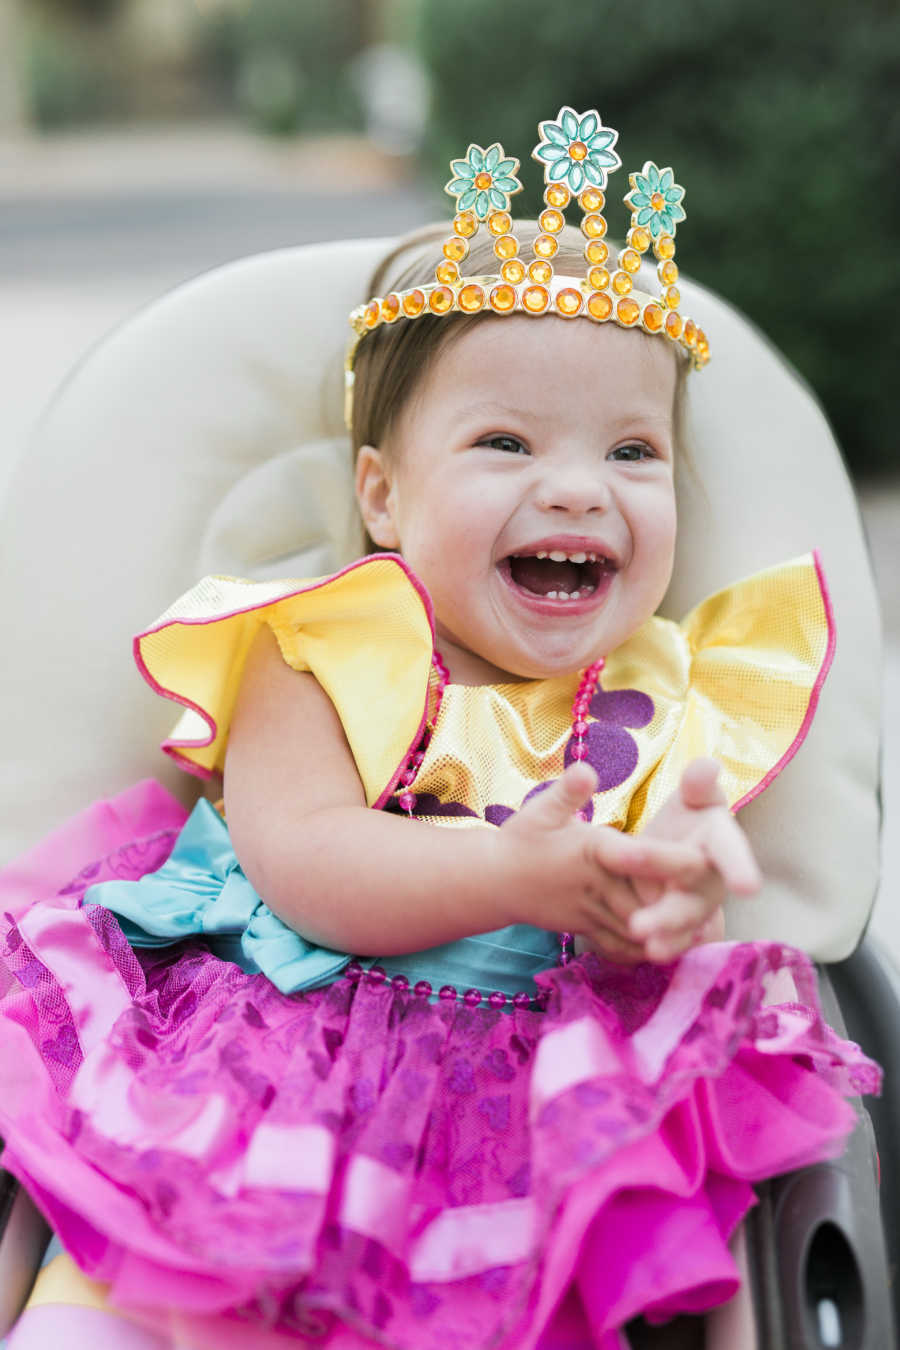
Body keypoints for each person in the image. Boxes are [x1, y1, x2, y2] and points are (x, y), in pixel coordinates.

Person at [0, 108, 879, 1350]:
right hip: (267, 1070)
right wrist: (508, 871)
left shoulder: (660, 692)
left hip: (527, 1124)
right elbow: (301, 859)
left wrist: (671, 908)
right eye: (505, 443)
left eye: (632, 451)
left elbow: (659, 945)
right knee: (116, 1299)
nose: (578, 486)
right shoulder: (326, 646)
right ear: (382, 496)